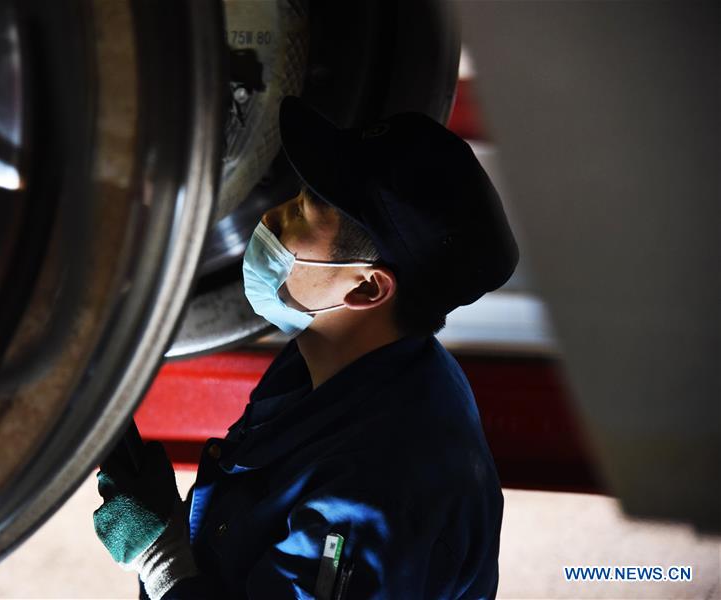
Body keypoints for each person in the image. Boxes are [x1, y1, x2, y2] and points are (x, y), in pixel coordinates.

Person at [93, 96, 518, 599]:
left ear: (366, 289)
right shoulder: (332, 360)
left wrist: (158, 554)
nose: (273, 216)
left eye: (303, 210)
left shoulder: (373, 494)